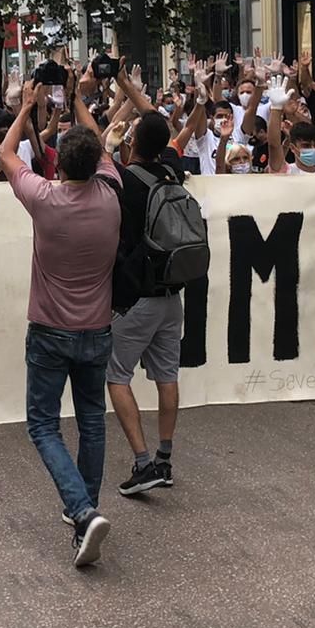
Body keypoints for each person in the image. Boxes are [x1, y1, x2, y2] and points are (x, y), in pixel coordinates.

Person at [2, 71, 121, 568]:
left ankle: (80, 508)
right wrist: (75, 98)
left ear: (58, 165)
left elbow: (7, 155)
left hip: (49, 330)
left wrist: (27, 107)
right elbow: (102, 147)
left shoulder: (44, 199)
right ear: (96, 162)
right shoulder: (113, 193)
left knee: (43, 426)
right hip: (97, 329)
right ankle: (84, 512)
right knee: (92, 422)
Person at [102, 101, 185, 498]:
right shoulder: (174, 170)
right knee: (167, 377)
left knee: (117, 375)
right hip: (172, 293)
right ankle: (165, 458)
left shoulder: (125, 179)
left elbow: (102, 166)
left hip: (136, 296)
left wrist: (109, 141)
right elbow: (158, 124)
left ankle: (142, 462)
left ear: (132, 141)